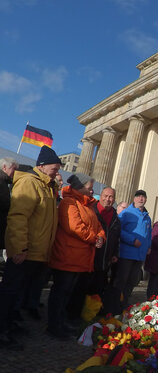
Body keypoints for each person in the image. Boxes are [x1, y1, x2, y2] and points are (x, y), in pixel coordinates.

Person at [0, 146, 60, 350]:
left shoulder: (49, 186)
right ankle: (2, 331)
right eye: (54, 168)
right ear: (41, 166)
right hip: (24, 251)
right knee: (9, 293)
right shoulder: (29, 182)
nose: (57, 172)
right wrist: (18, 248)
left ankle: (10, 325)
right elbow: (18, 217)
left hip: (36, 253)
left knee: (18, 293)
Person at [48, 173, 105, 339]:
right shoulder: (68, 202)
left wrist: (101, 236)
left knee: (68, 293)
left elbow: (99, 225)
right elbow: (74, 227)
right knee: (60, 292)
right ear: (80, 187)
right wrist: (95, 238)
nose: (92, 190)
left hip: (80, 257)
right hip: (67, 255)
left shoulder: (87, 205)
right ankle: (54, 325)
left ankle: (62, 322)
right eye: (89, 188)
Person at [67, 186, 121, 320]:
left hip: (105, 261)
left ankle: (89, 314)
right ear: (101, 196)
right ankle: (72, 315)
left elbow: (116, 239)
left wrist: (115, 253)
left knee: (96, 290)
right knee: (80, 288)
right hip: (89, 258)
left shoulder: (116, 218)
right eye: (106, 196)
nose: (108, 199)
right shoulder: (93, 211)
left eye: (111, 197)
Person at [113, 189, 152, 311]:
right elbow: (118, 229)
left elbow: (148, 234)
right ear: (134, 199)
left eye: (143, 197)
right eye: (139, 196)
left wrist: (148, 246)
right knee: (121, 281)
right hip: (127, 253)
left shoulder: (147, 217)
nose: (141, 199)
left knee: (132, 281)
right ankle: (114, 306)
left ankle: (125, 304)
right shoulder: (126, 213)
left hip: (140, 255)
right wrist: (132, 240)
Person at [0, 157, 18, 261]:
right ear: (5, 167)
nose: (15, 172)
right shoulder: (2, 182)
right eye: (14, 169)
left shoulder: (6, 183)